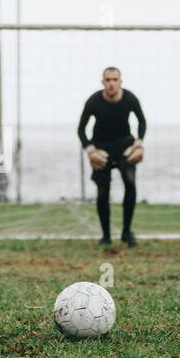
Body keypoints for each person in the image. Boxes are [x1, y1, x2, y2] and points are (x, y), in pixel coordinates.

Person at [77, 67, 146, 246]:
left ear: (120, 82)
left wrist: (139, 143)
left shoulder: (130, 98)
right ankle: (106, 236)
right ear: (103, 82)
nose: (111, 84)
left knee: (130, 185)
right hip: (101, 148)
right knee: (102, 192)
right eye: (108, 80)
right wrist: (90, 150)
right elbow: (81, 129)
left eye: (115, 80)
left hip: (124, 147)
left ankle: (126, 232)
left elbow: (141, 121)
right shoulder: (94, 101)